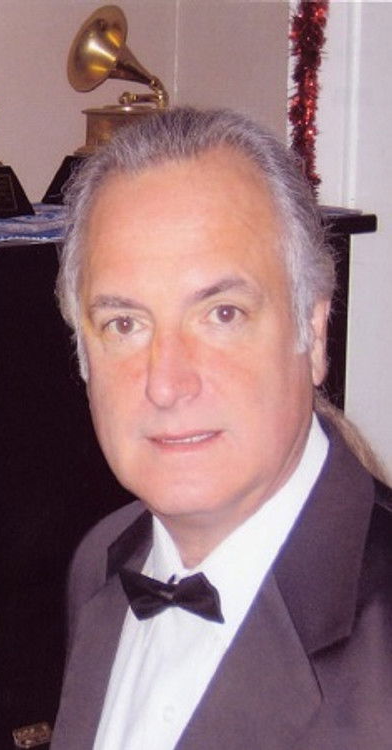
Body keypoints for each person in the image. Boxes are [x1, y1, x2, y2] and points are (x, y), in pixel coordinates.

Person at [51, 107, 392, 749]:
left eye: (222, 314)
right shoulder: (103, 560)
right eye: (125, 324)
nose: (166, 383)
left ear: (314, 333)